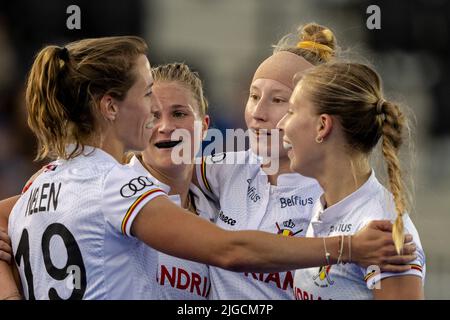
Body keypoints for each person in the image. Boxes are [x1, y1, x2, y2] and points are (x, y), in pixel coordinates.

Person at [0, 36, 415, 300]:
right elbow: (230, 250)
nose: (158, 119)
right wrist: (347, 248)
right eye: (148, 97)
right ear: (109, 106)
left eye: (284, 104)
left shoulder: (52, 180)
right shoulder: (122, 185)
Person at [194, 23, 334, 299]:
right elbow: (153, 172)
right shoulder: (222, 167)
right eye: (254, 96)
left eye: (278, 100)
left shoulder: (335, 195)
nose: (258, 113)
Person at [278, 61, 425, 299]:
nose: (281, 124)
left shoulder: (381, 228)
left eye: (291, 111)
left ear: (322, 126)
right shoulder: (324, 205)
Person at [128, 62, 215, 299]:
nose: (166, 127)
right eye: (153, 116)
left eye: (179, 114)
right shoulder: (109, 188)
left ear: (204, 126)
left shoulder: (219, 203)